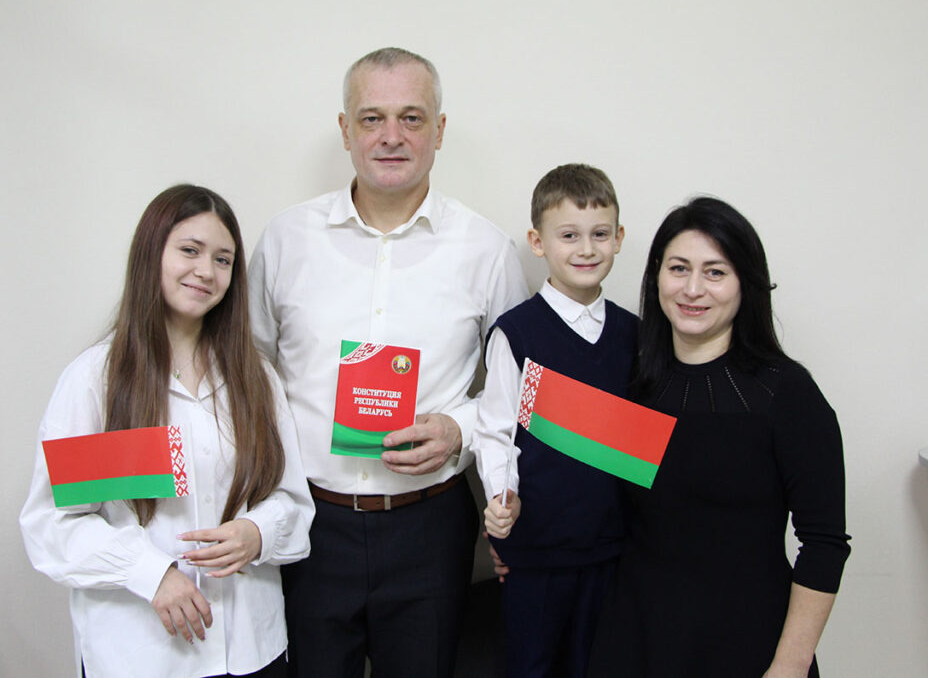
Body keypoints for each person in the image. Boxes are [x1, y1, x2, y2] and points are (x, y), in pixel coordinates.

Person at [247, 48, 528, 678]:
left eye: (412, 117)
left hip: (430, 527)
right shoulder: (286, 239)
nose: (391, 136)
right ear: (345, 130)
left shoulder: (486, 249)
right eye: (372, 118)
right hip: (309, 525)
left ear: (440, 130)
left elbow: (521, 391)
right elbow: (250, 372)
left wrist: (458, 429)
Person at [20, 184, 314, 678]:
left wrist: (258, 532)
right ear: (151, 254)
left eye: (222, 260)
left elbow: (292, 499)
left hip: (252, 650)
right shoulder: (96, 380)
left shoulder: (255, 376)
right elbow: (53, 525)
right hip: (142, 655)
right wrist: (151, 574)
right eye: (189, 250)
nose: (206, 271)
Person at [588, 197, 851, 677]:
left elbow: (824, 543)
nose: (692, 289)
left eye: (715, 272)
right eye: (679, 268)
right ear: (656, 276)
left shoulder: (786, 393)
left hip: (750, 646)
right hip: (636, 641)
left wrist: (790, 666)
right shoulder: (632, 384)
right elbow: (605, 509)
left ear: (745, 283)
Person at [472, 163, 635, 677]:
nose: (586, 249)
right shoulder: (518, 334)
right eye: (569, 235)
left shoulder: (636, 336)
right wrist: (502, 497)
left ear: (618, 239)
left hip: (614, 552)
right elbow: (495, 431)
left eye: (600, 234)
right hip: (537, 553)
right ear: (537, 242)